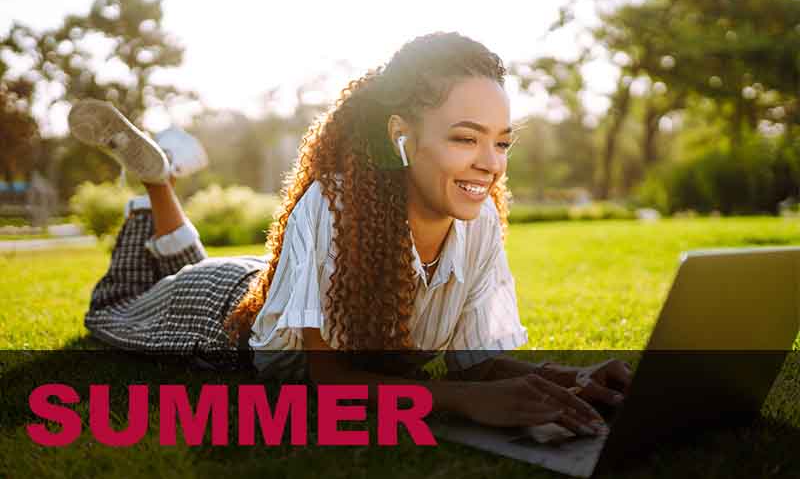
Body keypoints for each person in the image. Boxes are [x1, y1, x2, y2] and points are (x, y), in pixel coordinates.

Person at [71, 32, 631, 436]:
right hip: (220, 311)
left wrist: (570, 378)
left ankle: (160, 177)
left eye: (502, 142)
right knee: (120, 308)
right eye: (466, 138)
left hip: (271, 285)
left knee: (184, 262)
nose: (490, 163)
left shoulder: (479, 221)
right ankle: (155, 182)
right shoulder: (335, 203)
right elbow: (327, 380)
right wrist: (465, 402)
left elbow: (475, 363)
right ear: (400, 136)